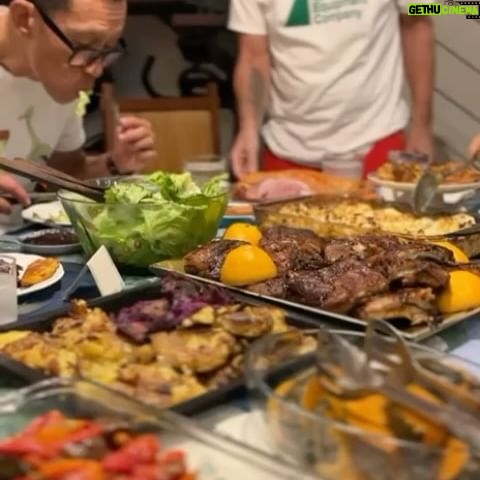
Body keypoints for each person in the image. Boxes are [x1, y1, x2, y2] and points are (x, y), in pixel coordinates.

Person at [228, 0, 435, 180]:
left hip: (376, 141)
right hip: (287, 151)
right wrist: (248, 127)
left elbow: (419, 22)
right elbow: (253, 56)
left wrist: (422, 125)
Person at [0, 0, 155, 213]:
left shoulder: (58, 73)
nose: (96, 71)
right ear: (24, 19)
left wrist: (115, 162)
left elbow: (66, 170)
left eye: (107, 49)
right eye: (84, 47)